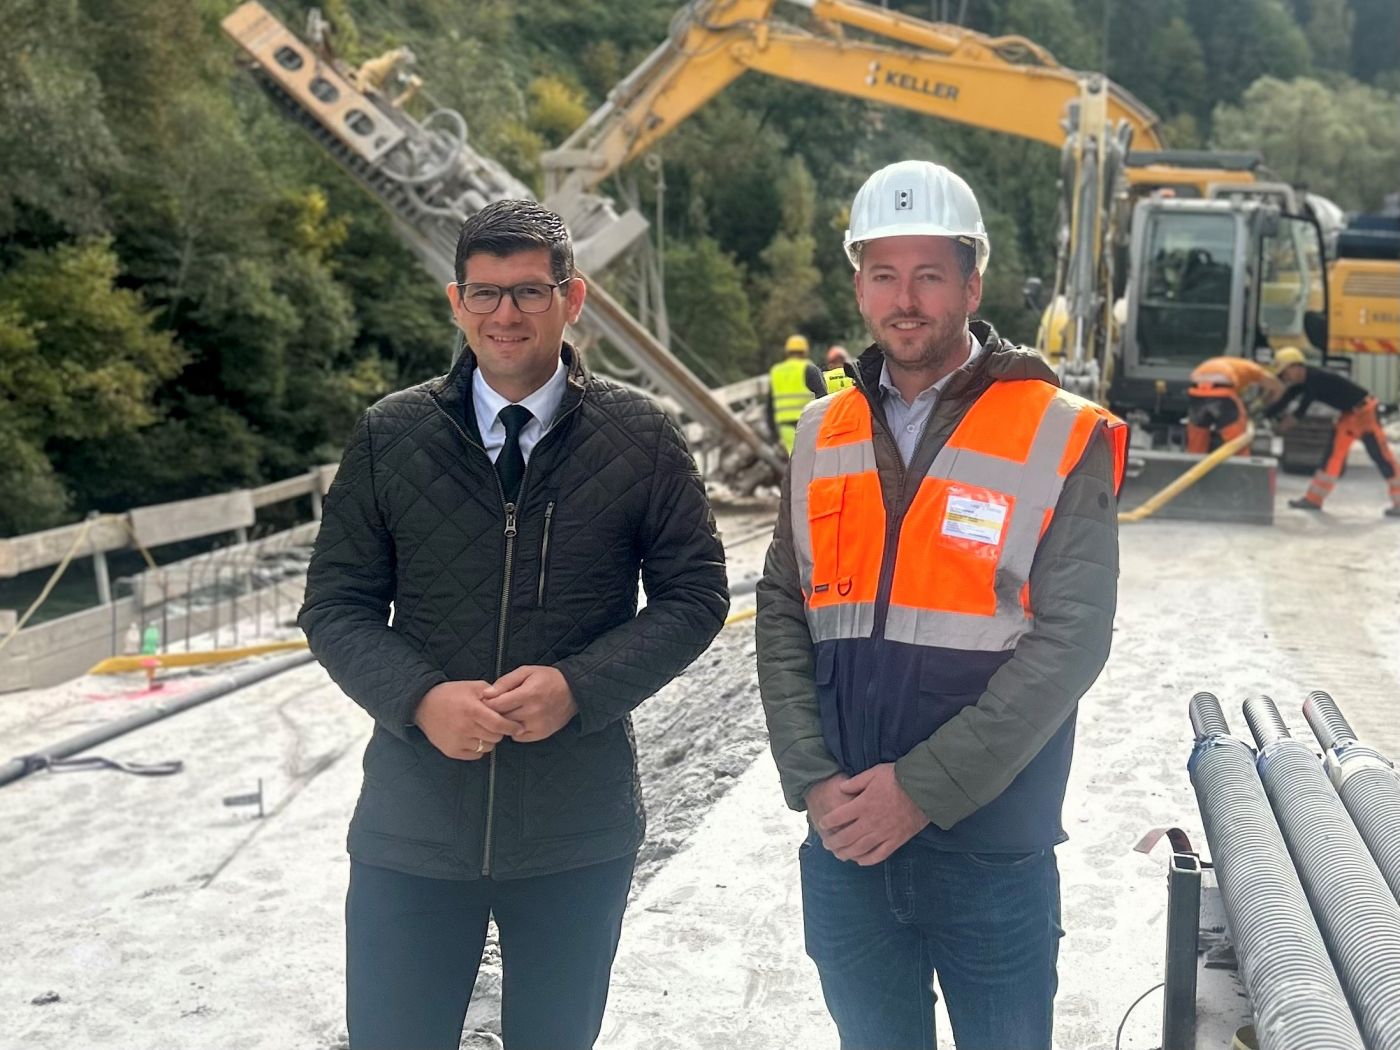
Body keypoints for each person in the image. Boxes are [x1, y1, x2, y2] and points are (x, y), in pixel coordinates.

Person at [299, 199, 729, 1050]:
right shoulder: (391, 436)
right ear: (456, 303)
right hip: (414, 825)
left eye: (530, 291)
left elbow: (696, 595)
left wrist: (579, 687)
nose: (506, 314)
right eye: (485, 293)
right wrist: (420, 700)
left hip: (577, 828)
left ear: (573, 299)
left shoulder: (641, 437)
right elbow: (335, 605)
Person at [756, 160, 1126, 1050]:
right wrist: (811, 779)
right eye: (884, 274)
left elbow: (1073, 639)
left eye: (928, 274)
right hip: (846, 840)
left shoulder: (1057, 429)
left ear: (972, 285)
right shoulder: (824, 429)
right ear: (859, 286)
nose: (905, 298)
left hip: (990, 848)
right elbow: (781, 607)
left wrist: (921, 791)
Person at [1267, 346, 1400, 516]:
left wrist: (1287, 423)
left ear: (1296, 366)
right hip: (1348, 415)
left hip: (1365, 413)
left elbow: (1303, 407)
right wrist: (1265, 414)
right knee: (1332, 457)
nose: (1285, 378)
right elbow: (1286, 399)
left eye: (1285, 373)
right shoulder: (1305, 381)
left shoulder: (1314, 379)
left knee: (1382, 457)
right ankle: (1313, 499)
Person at [1184, 354, 1284, 455]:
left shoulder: (1233, 366)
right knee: (1237, 438)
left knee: (1197, 435)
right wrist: (1263, 403)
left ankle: (1193, 459)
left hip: (1196, 389)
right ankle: (1241, 461)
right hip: (1222, 390)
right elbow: (1278, 387)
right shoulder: (1252, 368)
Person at [768, 333, 826, 453]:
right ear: (805, 352)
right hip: (807, 424)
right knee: (813, 458)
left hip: (785, 428)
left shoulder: (776, 371)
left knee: (794, 459)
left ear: (787, 352)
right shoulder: (809, 368)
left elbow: (770, 405)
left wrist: (773, 434)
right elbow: (824, 398)